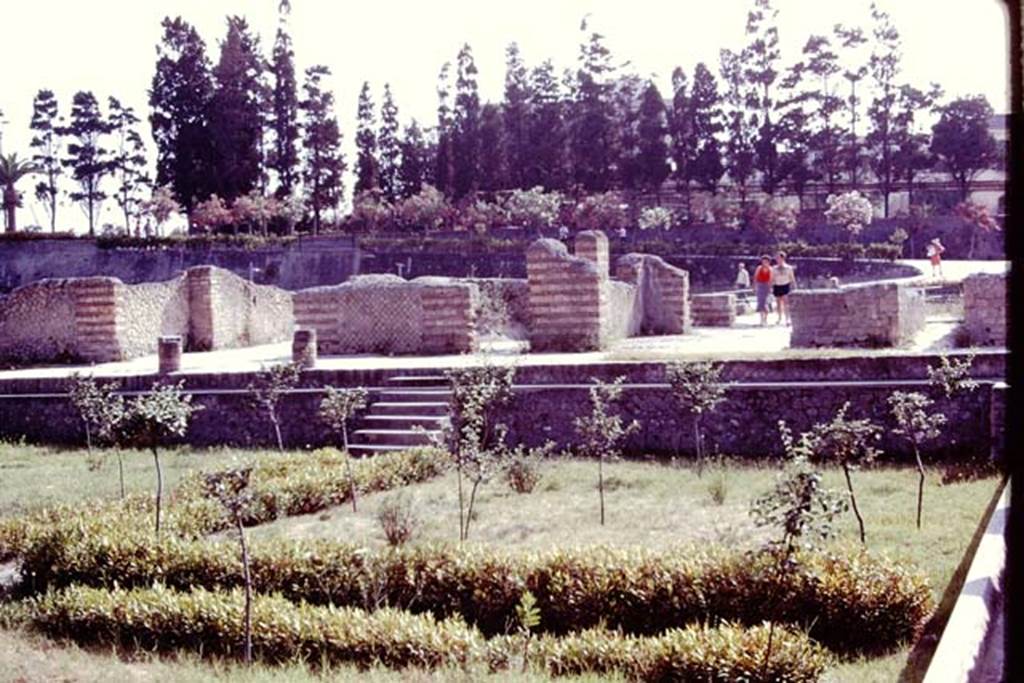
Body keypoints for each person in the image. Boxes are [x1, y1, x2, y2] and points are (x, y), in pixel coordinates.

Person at [771, 251, 797, 326]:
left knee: (786, 303)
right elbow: (772, 278)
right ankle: (779, 318)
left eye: (779, 258)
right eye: (776, 258)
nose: (777, 259)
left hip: (785, 286)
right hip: (777, 286)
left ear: (783, 258)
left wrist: (794, 286)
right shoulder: (774, 268)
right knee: (778, 304)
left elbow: (792, 278)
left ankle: (787, 319)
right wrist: (771, 287)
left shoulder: (789, 268)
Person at [753, 255, 773, 327]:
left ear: (768, 262)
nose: (764, 263)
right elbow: (755, 278)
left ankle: (765, 319)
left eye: (766, 261)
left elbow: (771, 280)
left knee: (766, 303)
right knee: (760, 303)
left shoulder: (770, 269)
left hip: (766, 287)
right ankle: (761, 320)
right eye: (763, 261)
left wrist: (770, 288)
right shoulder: (759, 268)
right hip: (760, 286)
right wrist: (754, 287)